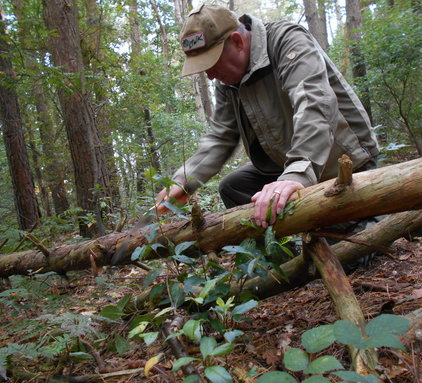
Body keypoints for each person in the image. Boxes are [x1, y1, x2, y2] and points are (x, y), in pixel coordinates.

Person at [156, 4, 379, 231]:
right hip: (286, 164)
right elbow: (221, 136)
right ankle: (288, 256)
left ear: (237, 41)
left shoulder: (287, 41)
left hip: (345, 161)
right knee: (234, 187)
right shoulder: (228, 79)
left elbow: (315, 105)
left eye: (212, 63)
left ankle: (363, 227)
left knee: (355, 247)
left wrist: (296, 174)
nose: (211, 76)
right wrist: (184, 180)